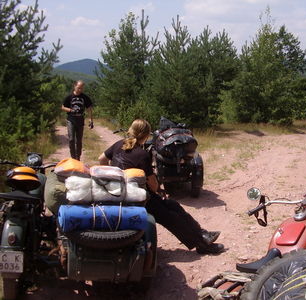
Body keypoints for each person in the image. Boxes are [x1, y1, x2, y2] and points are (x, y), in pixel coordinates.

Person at [98, 119, 224, 254]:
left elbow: (101, 159)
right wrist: (158, 191)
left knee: (173, 206)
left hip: (119, 193)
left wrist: (112, 175)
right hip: (136, 198)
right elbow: (152, 184)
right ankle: (202, 244)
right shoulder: (142, 155)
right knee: (171, 216)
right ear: (147, 135)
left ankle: (202, 234)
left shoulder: (118, 145)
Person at [61, 80, 93, 161]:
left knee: (79, 140)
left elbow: (89, 108)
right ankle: (73, 157)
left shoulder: (85, 97)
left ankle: (78, 157)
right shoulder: (69, 97)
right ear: (74, 86)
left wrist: (90, 120)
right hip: (71, 120)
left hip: (80, 120)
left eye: (82, 88)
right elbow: (62, 107)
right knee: (71, 139)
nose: (80, 90)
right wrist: (70, 110)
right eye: (79, 88)